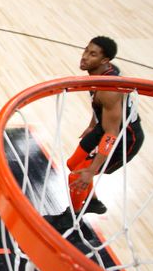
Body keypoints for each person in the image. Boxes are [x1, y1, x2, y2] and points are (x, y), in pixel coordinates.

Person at [48, 36, 144, 229]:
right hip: (104, 127)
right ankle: (92, 202)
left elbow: (112, 133)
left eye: (92, 54)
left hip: (124, 139)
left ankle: (72, 218)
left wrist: (91, 171)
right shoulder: (101, 74)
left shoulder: (109, 89)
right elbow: (100, 107)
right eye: (86, 51)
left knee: (77, 175)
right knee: (72, 163)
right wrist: (92, 125)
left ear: (104, 61)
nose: (84, 57)